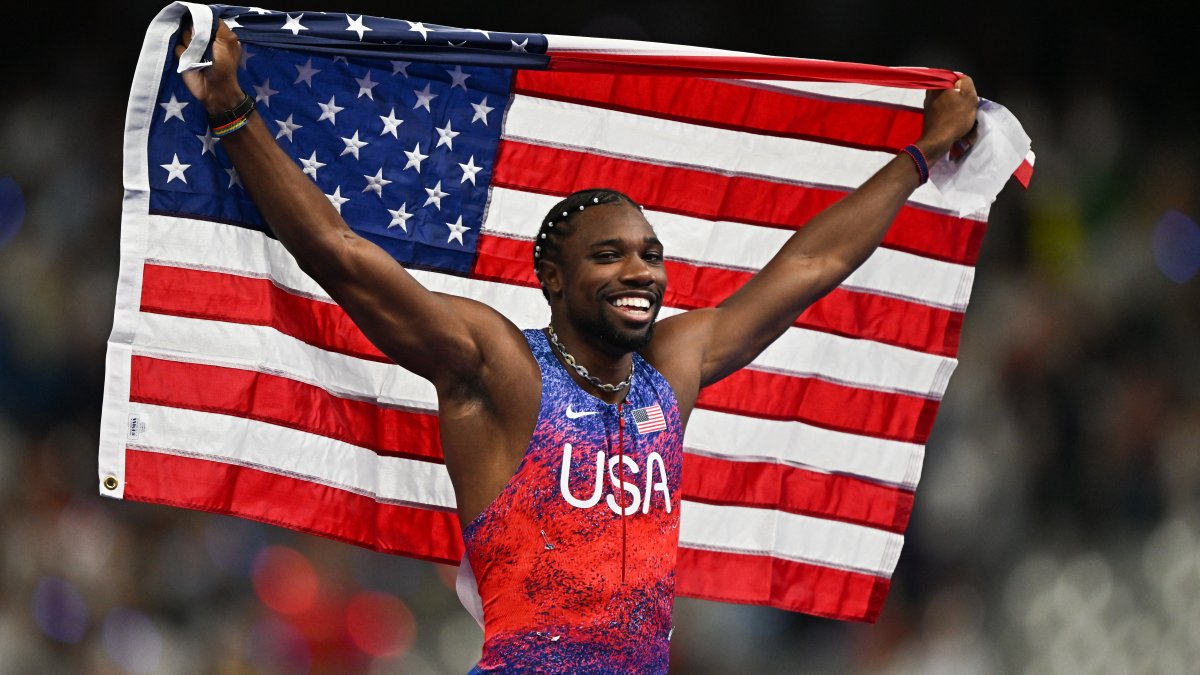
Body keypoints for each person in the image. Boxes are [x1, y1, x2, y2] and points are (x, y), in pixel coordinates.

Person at [176, 20, 978, 674]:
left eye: (651, 255)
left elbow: (811, 263)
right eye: (611, 255)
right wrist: (232, 114)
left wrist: (917, 158)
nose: (642, 272)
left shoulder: (673, 367)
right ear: (552, 278)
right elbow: (342, 256)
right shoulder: (497, 367)